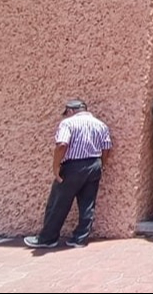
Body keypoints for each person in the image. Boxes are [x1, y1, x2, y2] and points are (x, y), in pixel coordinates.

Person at [24, 99, 112, 248]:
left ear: (71, 111)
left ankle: (48, 238)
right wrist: (101, 164)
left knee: (58, 202)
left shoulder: (68, 123)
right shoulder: (100, 124)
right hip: (94, 164)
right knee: (87, 204)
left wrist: (56, 166)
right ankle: (80, 239)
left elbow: (62, 144)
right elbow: (107, 147)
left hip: (73, 166)